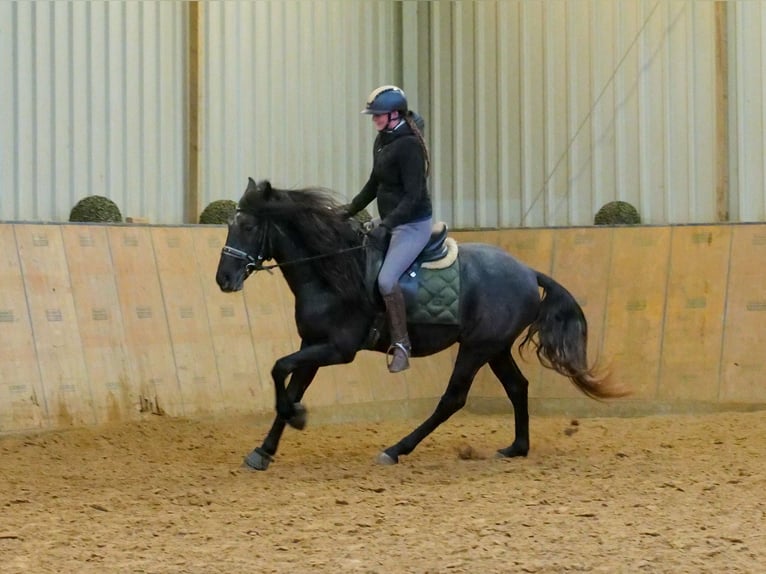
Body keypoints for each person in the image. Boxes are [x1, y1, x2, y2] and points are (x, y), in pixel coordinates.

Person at [341, 85, 434, 373]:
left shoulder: (409, 147)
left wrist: (388, 224)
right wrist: (346, 211)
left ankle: (402, 344)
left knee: (386, 279)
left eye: (378, 115)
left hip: (412, 225)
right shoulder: (383, 141)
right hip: (391, 221)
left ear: (395, 115)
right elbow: (374, 184)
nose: (375, 120)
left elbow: (414, 195)